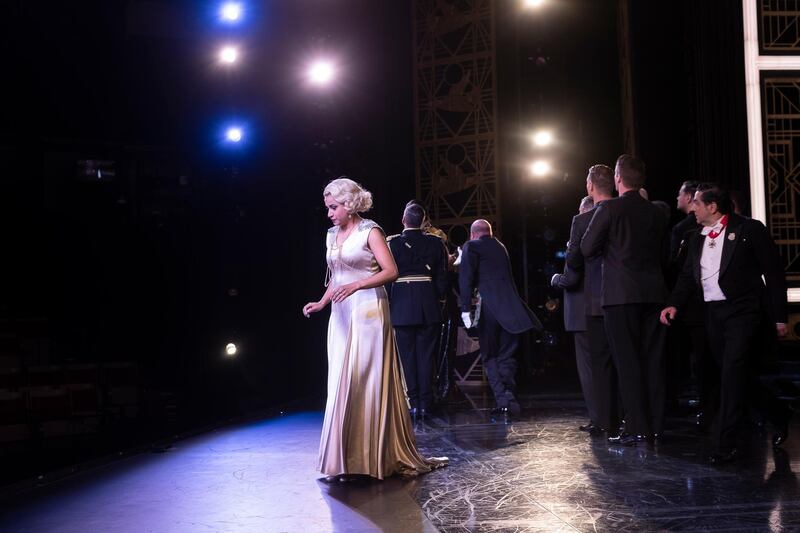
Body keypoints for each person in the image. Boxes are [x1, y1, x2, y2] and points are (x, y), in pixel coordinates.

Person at [302, 177, 447, 480]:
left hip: (369, 309)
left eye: (334, 207)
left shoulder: (371, 231)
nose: (329, 213)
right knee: (342, 381)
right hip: (341, 313)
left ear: (350, 205)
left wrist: (358, 284)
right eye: (328, 207)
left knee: (366, 379)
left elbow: (391, 271)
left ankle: (372, 458)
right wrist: (321, 302)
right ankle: (344, 459)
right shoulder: (331, 235)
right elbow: (336, 277)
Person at [660, 183, 789, 464]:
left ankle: (725, 444)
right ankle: (778, 413)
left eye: (696, 202)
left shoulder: (749, 230)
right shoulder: (695, 237)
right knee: (734, 375)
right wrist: (673, 303)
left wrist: (780, 316)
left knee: (732, 373)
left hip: (743, 313)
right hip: (713, 314)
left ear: (712, 207)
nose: (691, 207)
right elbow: (686, 277)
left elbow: (774, 273)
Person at [581, 154, 669, 446]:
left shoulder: (610, 209)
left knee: (628, 363)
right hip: (654, 295)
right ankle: (655, 426)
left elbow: (587, 247)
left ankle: (636, 427)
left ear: (618, 178)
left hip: (620, 297)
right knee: (653, 362)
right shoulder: (657, 212)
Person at [459, 219, 542, 416]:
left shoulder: (471, 246)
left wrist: (465, 309)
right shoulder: (500, 247)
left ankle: (503, 399)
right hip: (512, 309)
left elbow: (466, 278)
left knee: (489, 356)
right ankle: (509, 399)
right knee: (506, 357)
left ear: (473, 234)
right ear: (490, 232)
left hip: (489, 308)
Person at [568, 164, 620, 436]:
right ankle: (627, 421)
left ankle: (603, 420)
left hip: (593, 303)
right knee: (624, 363)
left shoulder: (583, 221)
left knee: (595, 367)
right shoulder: (626, 212)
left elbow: (574, 262)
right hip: (623, 297)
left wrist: (557, 279)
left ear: (590, 187)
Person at [387, 203, 448, 422]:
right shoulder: (436, 243)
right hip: (427, 303)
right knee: (426, 356)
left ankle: (414, 404)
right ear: (423, 221)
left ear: (404, 220)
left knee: (407, 357)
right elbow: (442, 277)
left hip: (401, 304)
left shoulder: (391, 244)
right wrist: (439, 300)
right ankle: (425, 403)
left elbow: (386, 278)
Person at [551, 195, 598, 433]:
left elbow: (571, 276)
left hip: (582, 310)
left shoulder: (580, 232)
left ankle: (598, 418)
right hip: (602, 307)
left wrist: (556, 279)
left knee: (588, 369)